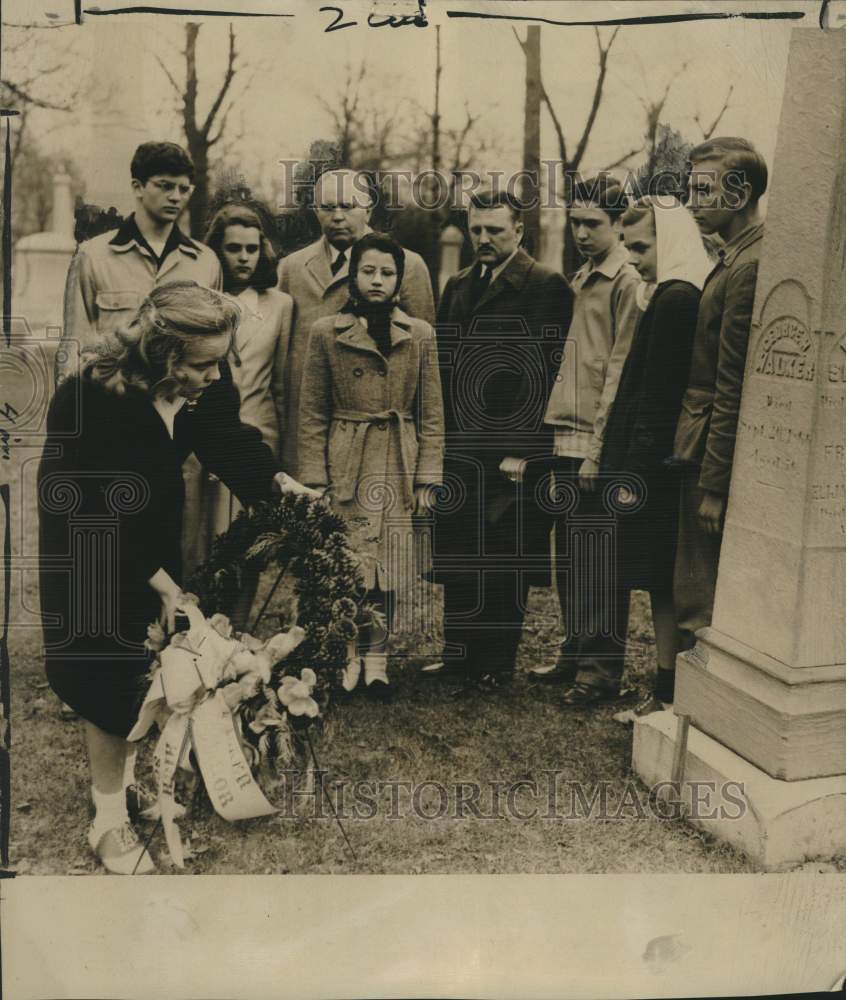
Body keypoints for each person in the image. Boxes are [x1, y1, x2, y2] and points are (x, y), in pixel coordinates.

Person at [38, 281, 314, 875]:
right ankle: (107, 822)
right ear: (162, 354)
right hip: (91, 553)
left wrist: (275, 484)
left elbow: (225, 439)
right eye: (202, 364)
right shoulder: (90, 399)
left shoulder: (203, 384)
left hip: (150, 541)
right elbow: (91, 509)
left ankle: (120, 785)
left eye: (220, 361)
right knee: (104, 677)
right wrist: (162, 585)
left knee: (146, 668)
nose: (215, 376)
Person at [424, 189, 573, 692]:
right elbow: (443, 369)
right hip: (461, 445)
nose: (483, 239)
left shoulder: (546, 286)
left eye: (495, 230)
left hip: (510, 450)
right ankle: (458, 654)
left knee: (504, 554)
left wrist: (526, 448)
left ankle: (494, 662)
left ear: (519, 232)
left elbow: (551, 375)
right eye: (477, 229)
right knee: (462, 550)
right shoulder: (459, 285)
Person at [298, 233, 444, 699]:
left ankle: (377, 659)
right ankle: (346, 656)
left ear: (399, 280)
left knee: (387, 565)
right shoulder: (325, 331)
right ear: (353, 277)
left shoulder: (420, 334)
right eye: (368, 271)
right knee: (348, 562)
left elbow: (432, 413)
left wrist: (427, 476)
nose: (377, 280)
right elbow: (312, 412)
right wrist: (315, 478)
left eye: (386, 272)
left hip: (397, 461)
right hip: (348, 457)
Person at [599, 197, 712, 711]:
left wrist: (631, 473)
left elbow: (660, 397)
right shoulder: (664, 293)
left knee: (666, 580)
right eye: (628, 246)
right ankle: (667, 687)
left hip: (657, 468)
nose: (632, 257)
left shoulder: (677, 299)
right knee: (658, 581)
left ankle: (672, 689)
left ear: (670, 242)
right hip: (649, 462)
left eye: (642, 246)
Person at [532, 174, 642, 703]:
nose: (580, 231)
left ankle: (600, 671)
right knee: (570, 556)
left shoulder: (626, 281)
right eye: (575, 221)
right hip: (564, 435)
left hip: (594, 442)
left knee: (599, 556)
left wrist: (599, 452)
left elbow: (618, 370)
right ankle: (574, 650)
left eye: (592, 223)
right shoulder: (582, 275)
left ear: (619, 224)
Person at [670, 137, 767, 651]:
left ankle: (694, 718)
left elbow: (732, 384)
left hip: (710, 447)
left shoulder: (750, 266)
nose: (692, 202)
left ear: (740, 192)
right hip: (702, 440)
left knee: (698, 597)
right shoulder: (737, 257)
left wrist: (714, 484)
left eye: (702, 190)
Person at [278, 168, 435, 479]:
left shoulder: (407, 264)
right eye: (327, 207)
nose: (337, 216)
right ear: (315, 211)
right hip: (309, 425)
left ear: (369, 209)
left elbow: (424, 367)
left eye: (348, 206)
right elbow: (282, 361)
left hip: (381, 434)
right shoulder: (292, 268)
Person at [198, 204, 294, 628]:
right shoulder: (199, 301)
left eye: (251, 249)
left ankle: (235, 636)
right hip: (201, 444)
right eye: (232, 247)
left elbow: (283, 384)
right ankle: (194, 636)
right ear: (215, 250)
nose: (243, 257)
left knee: (249, 549)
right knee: (199, 547)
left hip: (257, 436)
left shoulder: (279, 306)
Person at [58, 141, 221, 382]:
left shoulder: (206, 262)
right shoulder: (92, 256)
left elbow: (214, 347)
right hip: (114, 407)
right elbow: (73, 350)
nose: (176, 197)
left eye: (183, 189)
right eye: (165, 186)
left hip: (182, 411)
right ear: (138, 187)